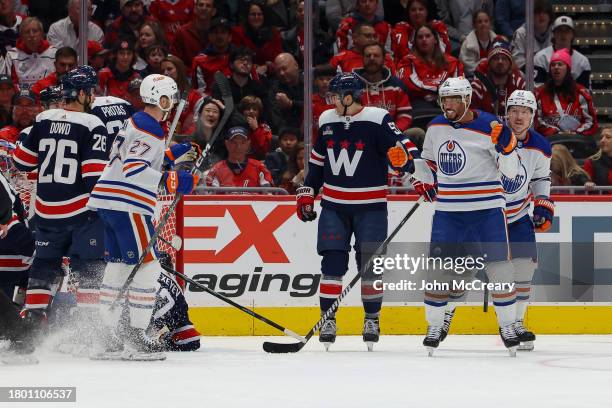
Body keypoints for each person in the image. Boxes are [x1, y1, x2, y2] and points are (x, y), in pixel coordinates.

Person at [396, 76, 522, 355]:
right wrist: (409, 166)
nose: (447, 104)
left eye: (453, 99)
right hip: (449, 211)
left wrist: (508, 148)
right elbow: (429, 168)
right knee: (439, 273)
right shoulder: (436, 127)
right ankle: (434, 325)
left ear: (466, 99)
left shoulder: (490, 126)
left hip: (487, 209)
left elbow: (511, 173)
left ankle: (508, 325)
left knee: (500, 269)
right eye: (444, 99)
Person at [296, 72, 422, 351]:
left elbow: (405, 147)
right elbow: (317, 163)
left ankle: (372, 319)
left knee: (370, 268)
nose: (330, 100)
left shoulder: (378, 118)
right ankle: (327, 319)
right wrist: (308, 190)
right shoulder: (327, 119)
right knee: (331, 265)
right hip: (334, 207)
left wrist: (410, 169)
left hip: (371, 208)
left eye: (335, 95)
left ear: (350, 95)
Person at [87, 74, 199, 360]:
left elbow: (137, 157)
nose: (172, 105)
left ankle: (105, 336)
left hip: (108, 201)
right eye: (169, 99)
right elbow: (135, 168)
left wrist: (173, 154)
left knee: (120, 266)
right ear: (160, 98)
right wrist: (171, 180)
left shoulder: (137, 121)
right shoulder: (151, 128)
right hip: (129, 204)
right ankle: (136, 336)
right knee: (148, 267)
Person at [441, 90, 553, 351]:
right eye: (514, 110)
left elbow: (539, 179)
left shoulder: (541, 146)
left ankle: (516, 323)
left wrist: (543, 202)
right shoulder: (489, 135)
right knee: (463, 271)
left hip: (516, 217)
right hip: (483, 215)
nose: (519, 116)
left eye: (525, 111)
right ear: (506, 113)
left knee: (524, 270)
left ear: (533, 116)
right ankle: (445, 314)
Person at [11, 66, 109, 347]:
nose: (92, 96)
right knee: (89, 268)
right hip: (80, 214)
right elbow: (93, 178)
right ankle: (87, 332)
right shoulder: (93, 125)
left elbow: (21, 162)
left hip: (45, 213)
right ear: (80, 93)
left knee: (43, 268)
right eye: (90, 91)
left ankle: (30, 330)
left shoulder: (42, 119)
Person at [397, 24, 463, 113]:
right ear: (415, 42)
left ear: (435, 40)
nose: (424, 39)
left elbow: (459, 86)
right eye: (420, 37)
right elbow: (409, 84)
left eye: (428, 36)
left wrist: (438, 96)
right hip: (419, 104)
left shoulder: (453, 62)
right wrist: (440, 90)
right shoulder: (408, 61)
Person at [535, 48, 598, 137]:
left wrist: (576, 133)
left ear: (568, 69)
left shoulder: (581, 93)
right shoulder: (540, 93)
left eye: (560, 64)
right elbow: (536, 120)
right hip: (550, 141)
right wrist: (556, 133)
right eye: (553, 65)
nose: (556, 67)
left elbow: (591, 122)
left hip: (576, 141)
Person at [354, 42, 413, 132]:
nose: (372, 58)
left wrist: (391, 133)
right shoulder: (352, 86)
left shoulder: (396, 85)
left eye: (376, 55)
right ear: (362, 59)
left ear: (384, 59)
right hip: (361, 139)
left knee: (416, 133)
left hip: (392, 135)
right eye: (368, 55)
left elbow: (405, 115)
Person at [204, 125, 273, 189]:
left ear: (248, 143)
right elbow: (212, 199)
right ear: (227, 143)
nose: (238, 147)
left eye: (242, 142)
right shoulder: (216, 170)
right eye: (234, 142)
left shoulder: (260, 168)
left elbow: (269, 196)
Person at [470, 39, 526, 117]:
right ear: (489, 63)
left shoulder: (519, 84)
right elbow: (473, 117)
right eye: (496, 58)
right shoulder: (478, 86)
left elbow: (526, 116)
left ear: (510, 63)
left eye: (504, 58)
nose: (500, 62)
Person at [534, 16, 591, 90]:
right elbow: (537, 88)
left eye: (567, 31)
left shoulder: (582, 61)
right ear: (554, 34)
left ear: (572, 34)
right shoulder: (541, 57)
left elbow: (585, 92)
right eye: (559, 31)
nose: (563, 34)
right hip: (547, 99)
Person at [231, 1, 283, 72]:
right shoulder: (238, 33)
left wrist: (268, 67)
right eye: (253, 14)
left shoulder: (274, 33)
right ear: (247, 16)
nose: (256, 17)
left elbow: (279, 60)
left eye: (260, 14)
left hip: (270, 75)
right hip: (245, 73)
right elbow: (235, 59)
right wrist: (253, 67)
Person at [7, 17, 56, 89]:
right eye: (27, 32)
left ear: (42, 34)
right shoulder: (12, 55)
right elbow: (11, 84)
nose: (31, 35)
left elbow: (56, 79)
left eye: (35, 31)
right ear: (22, 36)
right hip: (22, 98)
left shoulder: (54, 53)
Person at [330, 21, 396, 74]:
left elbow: (394, 83)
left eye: (374, 36)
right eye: (368, 36)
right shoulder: (339, 59)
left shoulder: (386, 59)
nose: (372, 39)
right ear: (355, 37)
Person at [192, 16, 233, 94]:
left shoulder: (239, 58)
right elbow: (199, 91)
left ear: (230, 37)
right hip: (210, 102)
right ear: (209, 36)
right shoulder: (199, 60)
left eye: (223, 32)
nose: (219, 36)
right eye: (215, 32)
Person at [171, 0, 216, 69]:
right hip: (188, 75)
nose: (204, 8)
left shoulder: (218, 33)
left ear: (213, 11)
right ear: (195, 9)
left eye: (208, 6)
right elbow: (175, 60)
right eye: (201, 5)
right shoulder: (182, 32)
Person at [511, 0, 553, 71]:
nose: (541, 16)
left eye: (545, 12)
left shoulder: (556, 32)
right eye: (538, 13)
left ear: (550, 17)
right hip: (527, 74)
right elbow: (517, 61)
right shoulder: (521, 33)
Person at [268, 53, 303, 133]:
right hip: (289, 137)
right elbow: (277, 120)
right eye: (278, 70)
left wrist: (291, 104)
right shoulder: (274, 90)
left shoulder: (310, 82)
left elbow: (314, 106)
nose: (281, 73)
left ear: (296, 65)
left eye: (284, 68)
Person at [458, 10, 497, 77]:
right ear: (474, 25)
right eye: (479, 22)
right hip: (473, 77)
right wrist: (486, 64)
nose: (483, 24)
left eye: (486, 21)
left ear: (490, 23)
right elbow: (468, 68)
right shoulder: (467, 44)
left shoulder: (497, 41)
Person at [238, 95, 271, 160]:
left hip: (257, 162)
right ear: (242, 111)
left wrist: (256, 129)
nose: (251, 111)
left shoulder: (265, 128)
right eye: (247, 109)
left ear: (259, 112)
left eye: (255, 109)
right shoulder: (236, 126)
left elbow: (263, 151)